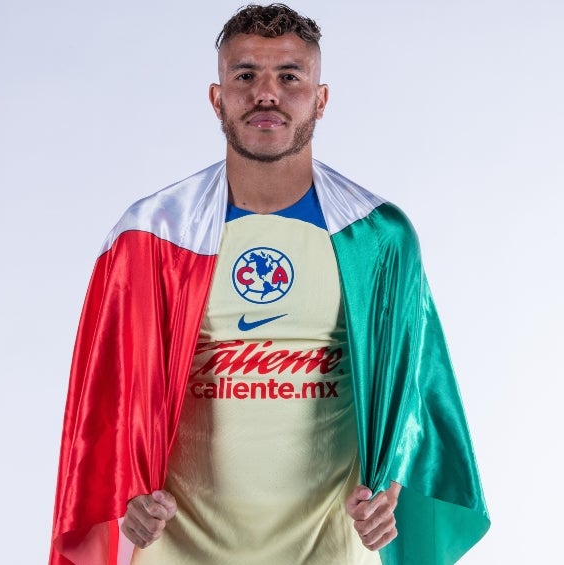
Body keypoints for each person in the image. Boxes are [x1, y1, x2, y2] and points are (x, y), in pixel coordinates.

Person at [49, 4, 489, 565]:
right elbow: (105, 400)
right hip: (179, 552)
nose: (266, 94)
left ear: (320, 99)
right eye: (245, 75)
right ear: (217, 98)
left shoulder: (377, 238)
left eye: (289, 77)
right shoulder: (153, 234)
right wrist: (126, 492)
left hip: (330, 550)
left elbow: (415, 396)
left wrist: (390, 486)